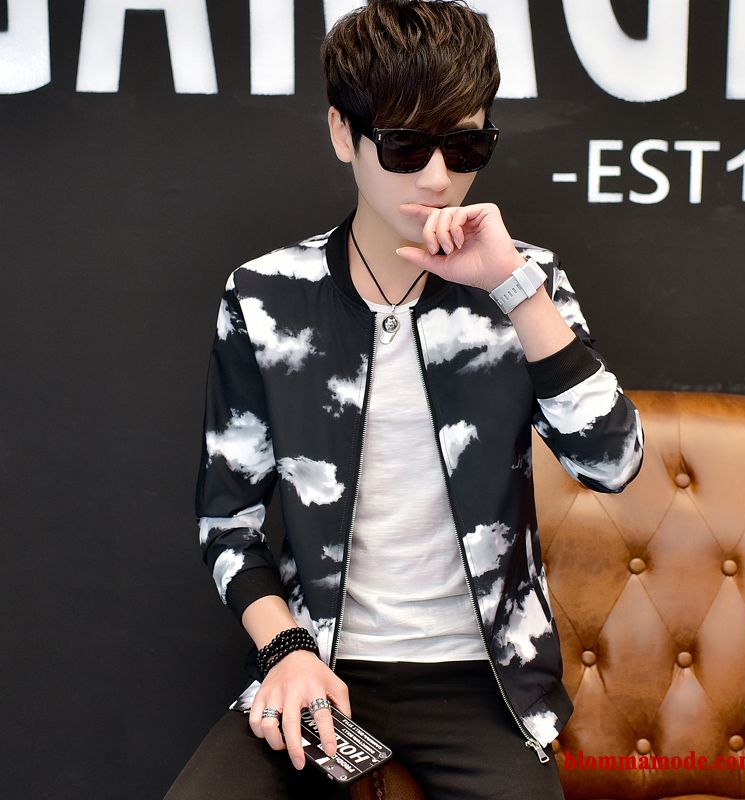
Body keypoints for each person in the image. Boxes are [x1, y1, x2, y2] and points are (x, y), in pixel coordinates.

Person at [164, 1, 644, 798]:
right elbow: (228, 523)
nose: (438, 176)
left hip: (482, 681)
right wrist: (286, 650)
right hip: (320, 661)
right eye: (405, 145)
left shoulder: (526, 282)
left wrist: (515, 288)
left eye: (465, 144)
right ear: (342, 134)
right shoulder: (265, 295)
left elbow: (612, 463)